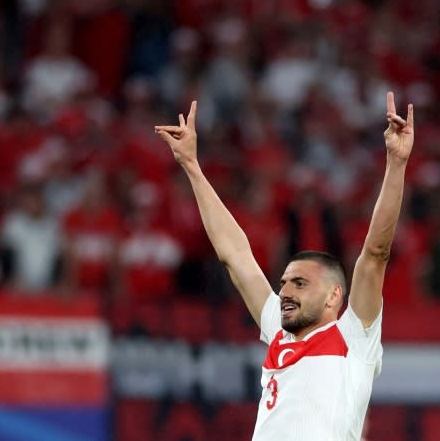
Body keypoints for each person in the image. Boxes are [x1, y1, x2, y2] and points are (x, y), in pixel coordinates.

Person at [155, 91, 414, 441]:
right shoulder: (279, 327)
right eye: (285, 282)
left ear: (334, 296)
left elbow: (375, 253)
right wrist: (192, 167)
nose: (286, 291)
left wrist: (396, 165)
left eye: (300, 284)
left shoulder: (355, 336)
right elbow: (235, 255)